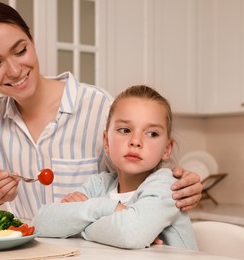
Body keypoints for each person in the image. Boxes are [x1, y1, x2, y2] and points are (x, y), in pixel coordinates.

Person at [0, 0, 202, 222]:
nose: (14, 70)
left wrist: (180, 186)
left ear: (32, 39)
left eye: (20, 51)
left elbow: (143, 176)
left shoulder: (97, 106)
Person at [33, 85, 198, 250]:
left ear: (167, 149)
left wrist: (77, 227)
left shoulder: (167, 187)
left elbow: (130, 234)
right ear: (106, 141)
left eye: (152, 133)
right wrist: (108, 208)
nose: (136, 141)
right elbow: (41, 223)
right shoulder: (98, 185)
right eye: (125, 130)